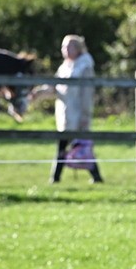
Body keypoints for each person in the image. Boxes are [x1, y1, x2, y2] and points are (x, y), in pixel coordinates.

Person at [29, 34, 103, 184]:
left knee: (77, 146)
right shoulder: (65, 67)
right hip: (65, 114)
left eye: (69, 46)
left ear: (78, 48)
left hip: (79, 114)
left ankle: (56, 178)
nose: (65, 49)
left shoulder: (85, 67)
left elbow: (87, 94)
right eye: (64, 46)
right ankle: (94, 177)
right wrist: (39, 93)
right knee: (71, 146)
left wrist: (84, 115)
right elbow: (55, 87)